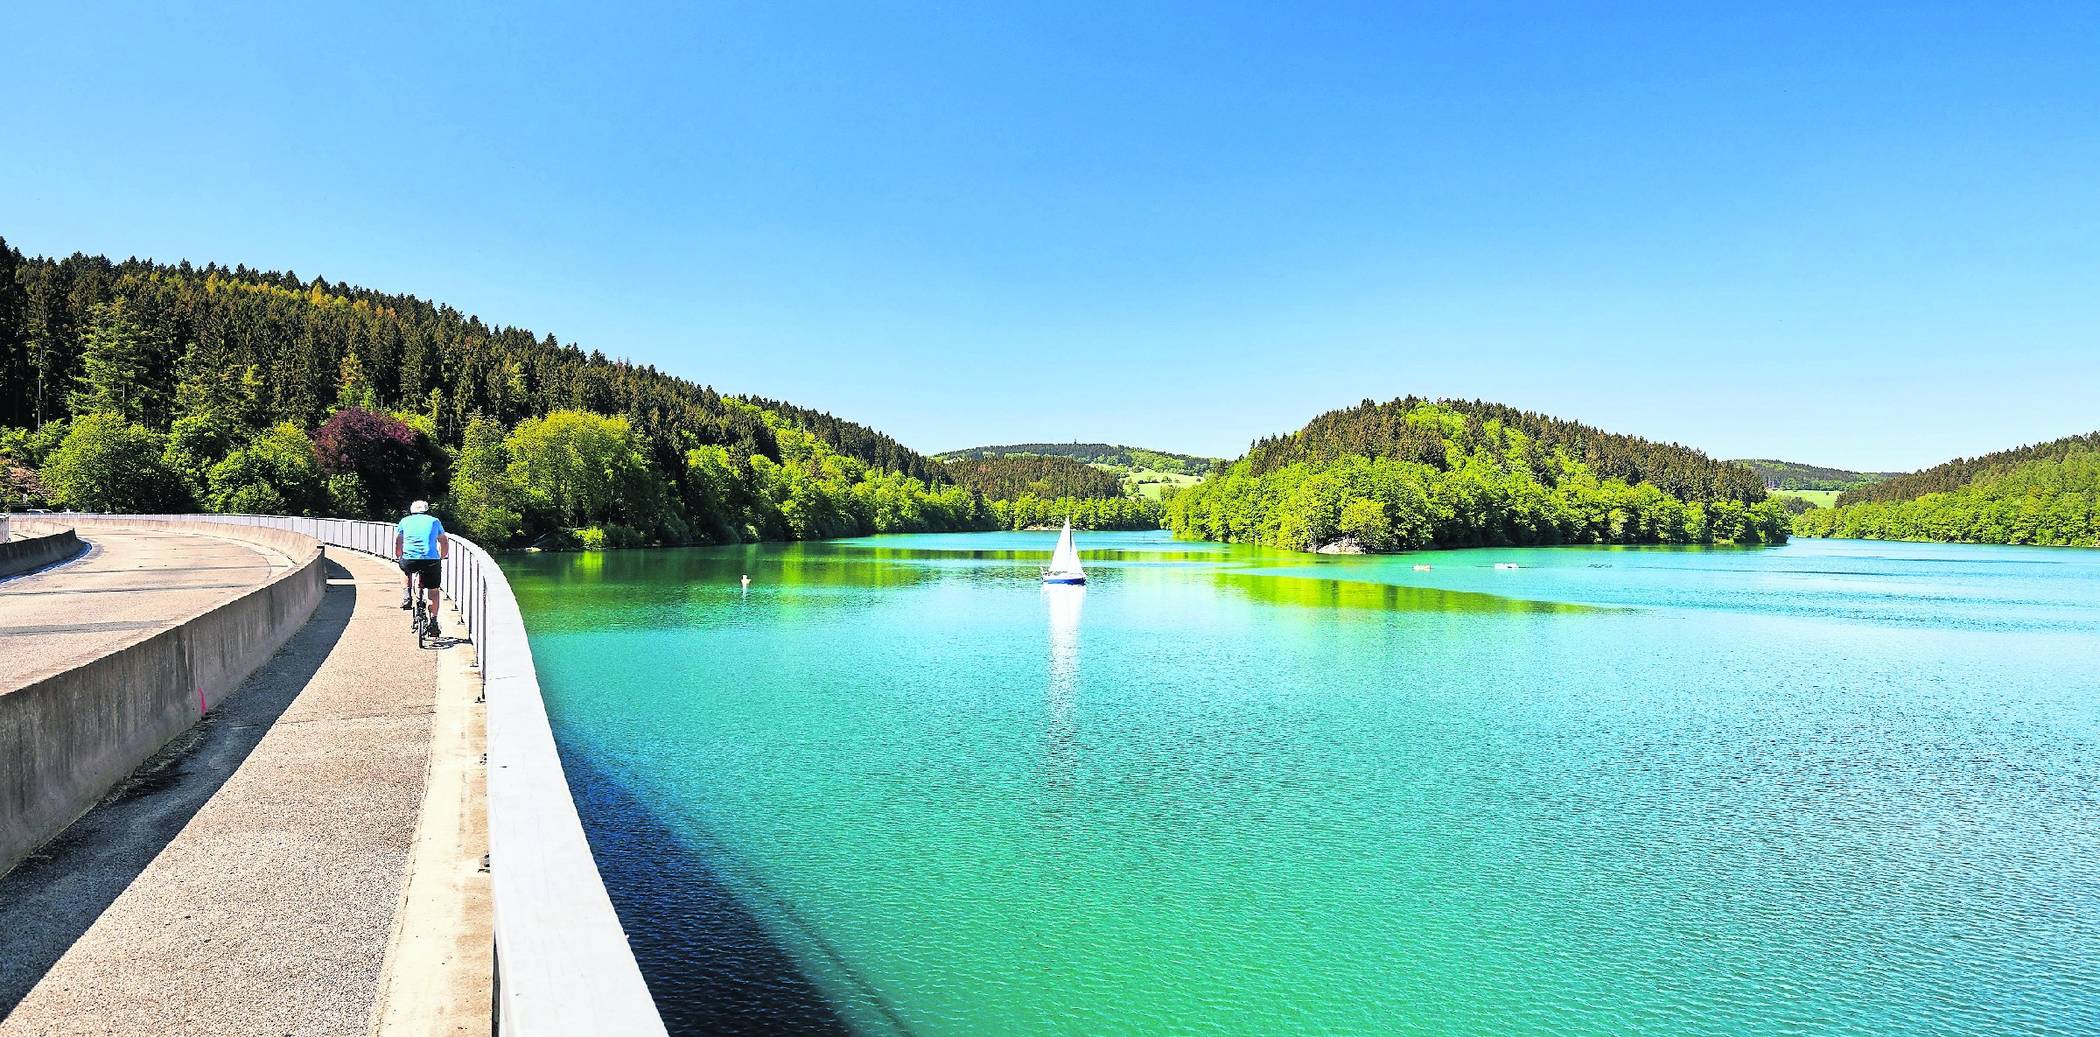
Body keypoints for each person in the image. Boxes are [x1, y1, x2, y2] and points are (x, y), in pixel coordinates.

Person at [395, 500, 448, 637]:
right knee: (434, 591)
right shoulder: (434, 521)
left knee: (404, 568)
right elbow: (443, 540)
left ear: (412, 510)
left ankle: (407, 595)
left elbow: (399, 541)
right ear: (426, 510)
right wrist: (442, 557)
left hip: (410, 559)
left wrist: (399, 555)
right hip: (431, 560)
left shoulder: (404, 521)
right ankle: (434, 622)